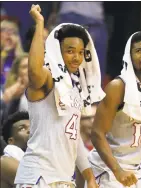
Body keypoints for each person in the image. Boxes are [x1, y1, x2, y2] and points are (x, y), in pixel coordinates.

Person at [15, 4, 102, 188]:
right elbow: (33, 71)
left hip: (63, 177)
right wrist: (40, 24)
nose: (77, 58)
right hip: (38, 176)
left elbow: (73, 137)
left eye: (80, 52)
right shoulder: (47, 77)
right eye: (70, 51)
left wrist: (89, 177)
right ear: (57, 52)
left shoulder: (74, 89)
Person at [88, 31, 141, 188]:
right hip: (108, 171)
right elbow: (96, 134)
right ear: (129, 55)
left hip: (134, 173)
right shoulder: (118, 87)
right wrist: (118, 171)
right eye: (139, 51)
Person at [1, 111, 30, 188]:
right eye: (22, 128)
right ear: (11, 141)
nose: (30, 130)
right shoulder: (5, 162)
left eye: (33, 127)